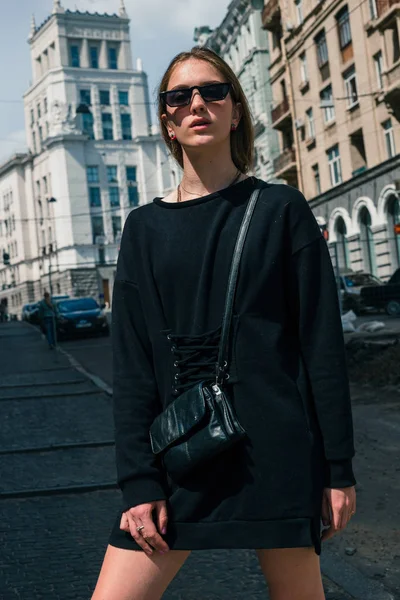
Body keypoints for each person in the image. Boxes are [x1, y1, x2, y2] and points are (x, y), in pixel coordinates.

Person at [92, 47, 356, 600]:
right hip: (181, 457)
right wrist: (139, 481)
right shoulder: (142, 229)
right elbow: (134, 367)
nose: (197, 104)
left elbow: (321, 348)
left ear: (236, 110)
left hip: (277, 455)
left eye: (213, 91)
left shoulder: (283, 209)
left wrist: (338, 468)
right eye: (179, 96)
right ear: (166, 120)